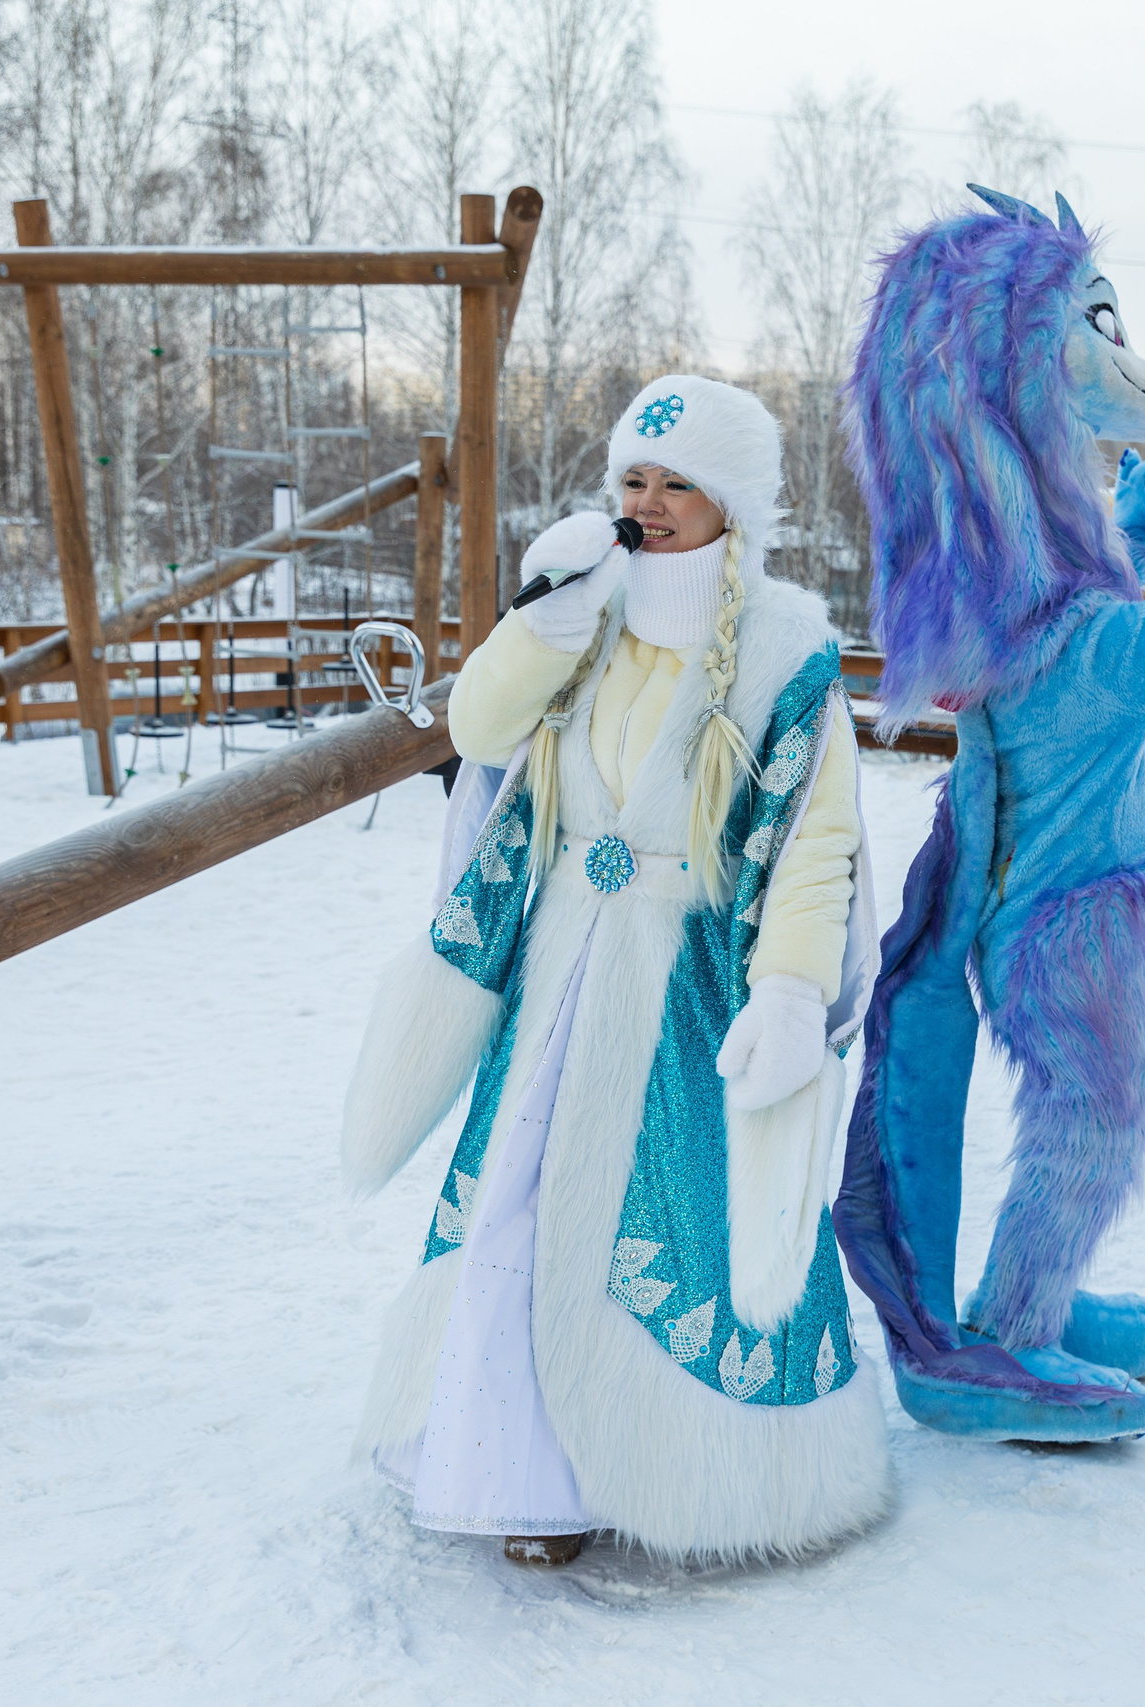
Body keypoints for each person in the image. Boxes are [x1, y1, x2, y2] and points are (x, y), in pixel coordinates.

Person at [339, 374, 892, 1565]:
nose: (646, 504)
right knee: (522, 1207)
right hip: (556, 976)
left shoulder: (787, 652)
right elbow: (480, 737)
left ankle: (707, 1480)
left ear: (729, 503)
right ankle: (521, 1477)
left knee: (668, 1227)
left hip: (682, 990)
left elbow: (814, 846)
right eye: (631, 480)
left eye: (675, 483)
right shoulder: (581, 608)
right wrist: (534, 627)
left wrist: (791, 991)